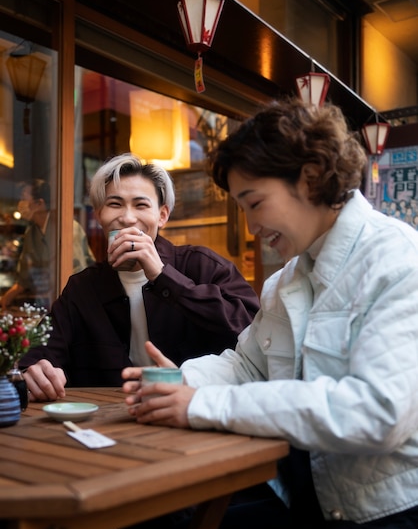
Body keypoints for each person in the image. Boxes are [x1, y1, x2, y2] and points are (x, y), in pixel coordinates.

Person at [119, 97, 418, 529]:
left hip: (391, 524)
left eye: (254, 203)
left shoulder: (397, 261)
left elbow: (378, 411)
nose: (252, 226)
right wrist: (182, 381)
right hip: (312, 502)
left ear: (310, 176)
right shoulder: (286, 281)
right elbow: (245, 365)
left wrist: (201, 404)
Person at [18, 153, 259, 400]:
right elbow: (41, 350)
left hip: (195, 414)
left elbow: (252, 332)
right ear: (99, 214)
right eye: (115, 204)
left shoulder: (201, 266)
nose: (128, 218)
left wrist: (163, 276)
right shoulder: (83, 288)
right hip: (109, 424)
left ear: (162, 215)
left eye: (141, 205)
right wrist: (34, 370)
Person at [0, 178, 95, 311]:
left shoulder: (67, 227)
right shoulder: (31, 233)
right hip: (49, 301)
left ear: (40, 203)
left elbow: (75, 271)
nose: (20, 203)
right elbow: (25, 275)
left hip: (75, 301)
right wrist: (7, 297)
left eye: (24, 198)